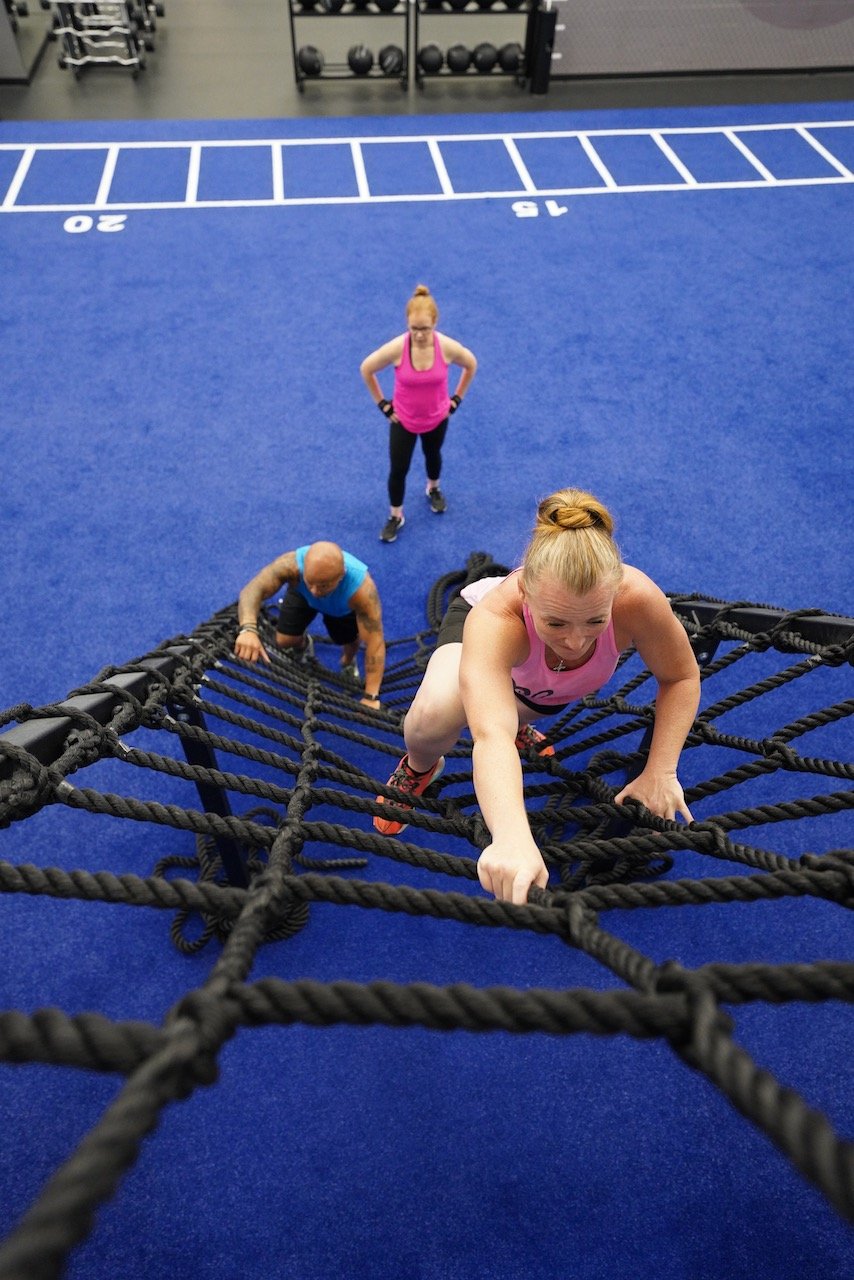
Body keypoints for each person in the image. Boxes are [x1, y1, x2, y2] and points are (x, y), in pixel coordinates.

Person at [373, 488, 701, 903]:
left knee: (529, 700)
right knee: (434, 717)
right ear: (526, 593)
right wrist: (511, 836)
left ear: (615, 596)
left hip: (542, 681)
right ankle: (419, 766)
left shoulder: (635, 598)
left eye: (595, 621)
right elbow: (489, 736)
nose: (577, 641)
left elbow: (680, 677)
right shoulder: (497, 618)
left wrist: (662, 770)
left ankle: (521, 722)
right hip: (486, 638)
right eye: (557, 622)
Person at [360, 283, 477, 544]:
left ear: (435, 323)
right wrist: (383, 405)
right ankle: (395, 515)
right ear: (407, 325)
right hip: (403, 421)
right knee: (398, 470)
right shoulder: (396, 349)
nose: (420, 335)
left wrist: (456, 399)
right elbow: (367, 369)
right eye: (414, 329)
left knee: (433, 455)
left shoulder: (445, 347)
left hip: (437, 419)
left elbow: (470, 364)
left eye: (425, 329)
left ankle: (433, 488)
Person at [233, 541, 385, 708]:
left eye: (323, 585)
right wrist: (248, 629)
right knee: (284, 640)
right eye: (310, 582)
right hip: (302, 597)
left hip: (341, 608)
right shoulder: (291, 566)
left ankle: (348, 662)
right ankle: (304, 644)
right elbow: (253, 589)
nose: (315, 591)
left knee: (348, 640)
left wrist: (371, 696)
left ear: (341, 576)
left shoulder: (361, 590)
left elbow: (374, 641)